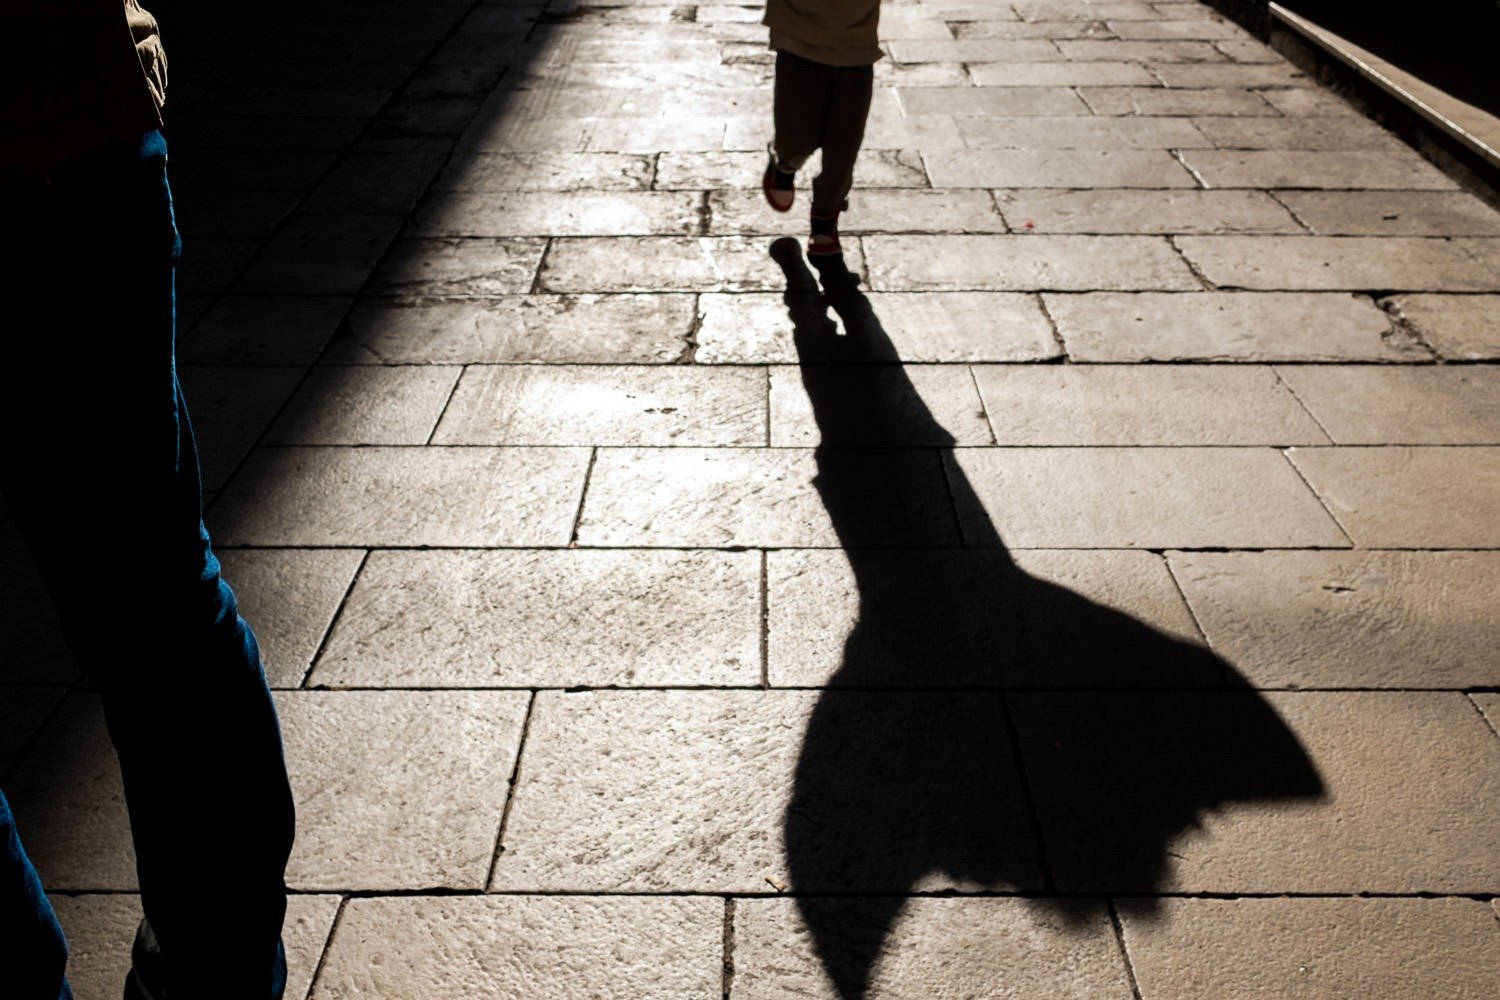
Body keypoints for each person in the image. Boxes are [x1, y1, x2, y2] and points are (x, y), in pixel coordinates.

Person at [1, 3, 296, 998]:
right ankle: (218, 973)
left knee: (156, 609)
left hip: (59, 140)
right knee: (157, 607)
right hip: (69, 133)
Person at [761, 0, 882, 258]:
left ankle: (825, 218)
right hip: (800, 37)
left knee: (844, 146)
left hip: (856, 45)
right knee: (795, 137)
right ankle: (784, 163)